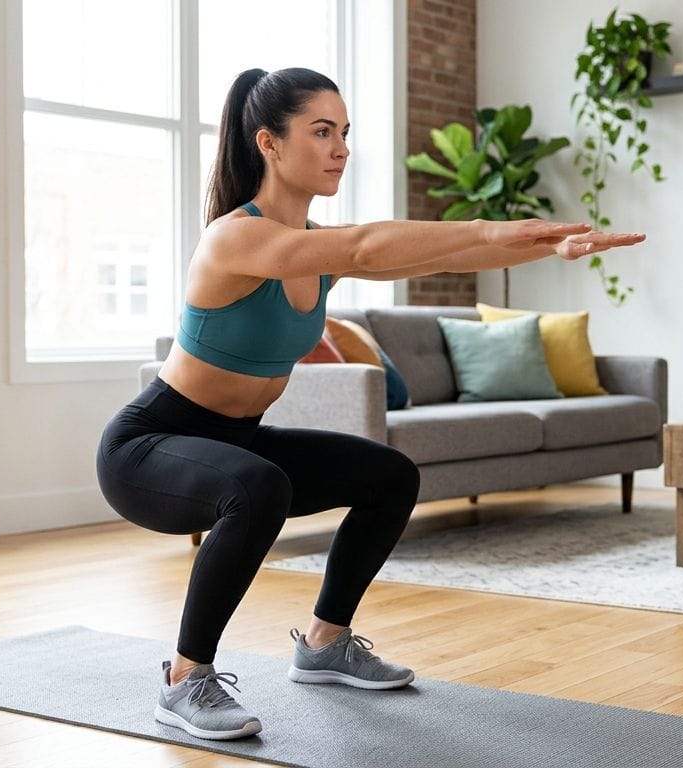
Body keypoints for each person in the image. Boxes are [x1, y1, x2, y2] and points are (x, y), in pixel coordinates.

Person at [95, 66, 646, 741]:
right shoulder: (237, 238)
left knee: (390, 475)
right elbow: (363, 243)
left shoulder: (315, 248)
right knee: (257, 486)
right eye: (321, 131)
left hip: (237, 443)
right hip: (149, 450)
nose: (341, 148)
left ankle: (325, 644)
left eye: (345, 132)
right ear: (268, 143)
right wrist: (501, 230)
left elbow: (428, 258)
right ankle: (185, 681)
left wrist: (543, 243)